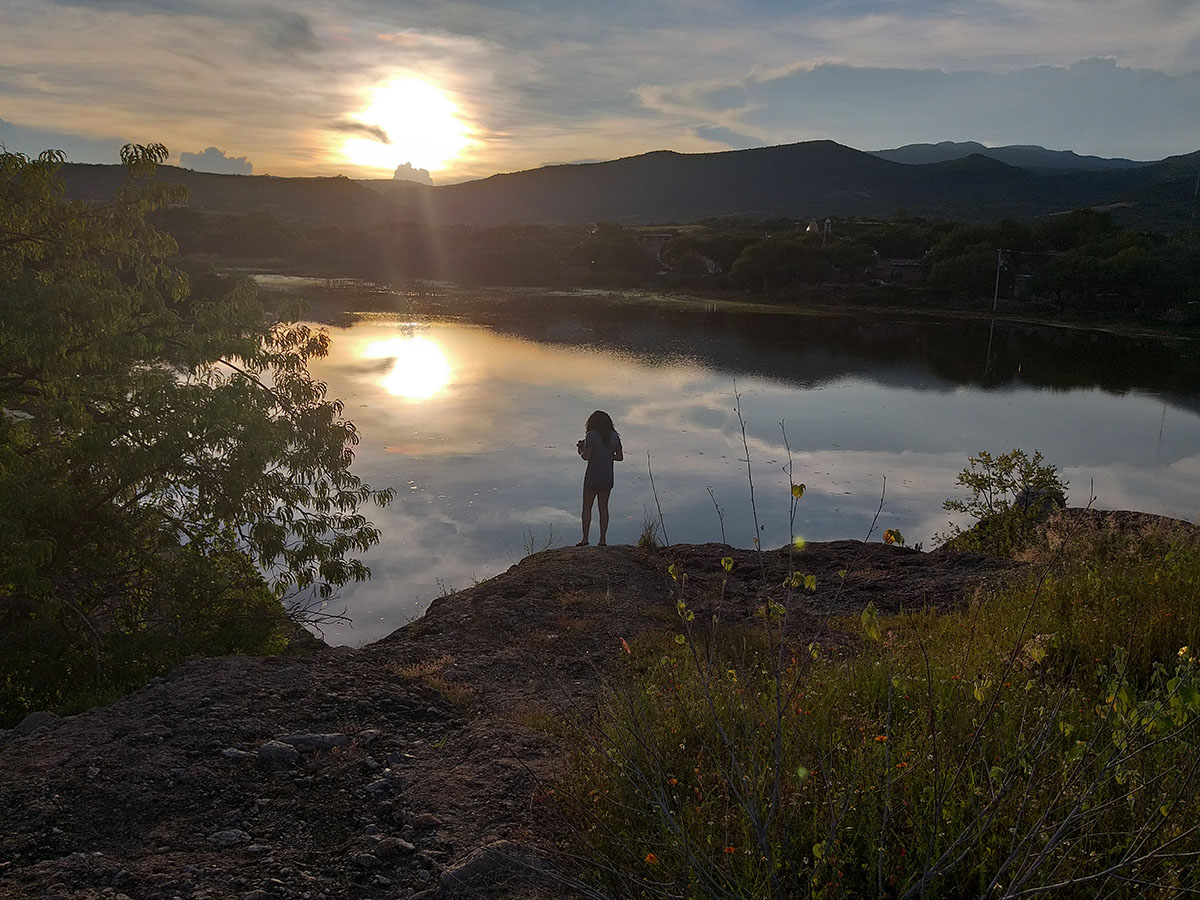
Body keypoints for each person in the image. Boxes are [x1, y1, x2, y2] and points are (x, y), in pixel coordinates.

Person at [575, 410, 623, 546]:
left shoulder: (591, 435)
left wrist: (580, 449)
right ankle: (602, 540)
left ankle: (585, 539)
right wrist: (607, 455)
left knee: (587, 508)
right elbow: (620, 457)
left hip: (592, 476)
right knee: (603, 508)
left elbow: (586, 456)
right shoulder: (614, 436)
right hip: (607, 477)